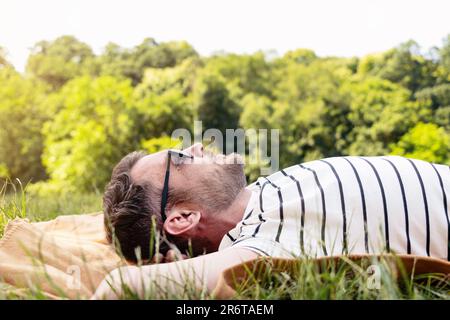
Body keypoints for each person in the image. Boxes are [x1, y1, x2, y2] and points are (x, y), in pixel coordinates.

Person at [92, 143, 449, 299]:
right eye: (180, 159)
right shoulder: (255, 244)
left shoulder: (260, 194)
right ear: (183, 218)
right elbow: (119, 286)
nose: (197, 147)